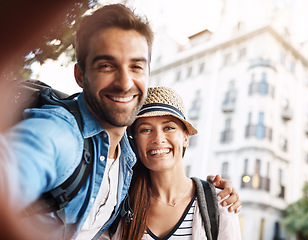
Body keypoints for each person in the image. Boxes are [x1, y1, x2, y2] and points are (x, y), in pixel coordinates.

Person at [0, 4, 241, 240]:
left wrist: (213, 192)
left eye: (135, 66)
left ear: (147, 74)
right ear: (80, 76)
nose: (125, 83)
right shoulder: (61, 132)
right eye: (107, 65)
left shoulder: (126, 162)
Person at [107, 87, 242, 240]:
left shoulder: (220, 204)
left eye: (169, 128)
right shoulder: (120, 203)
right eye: (145, 130)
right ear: (135, 140)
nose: (158, 138)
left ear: (185, 137)